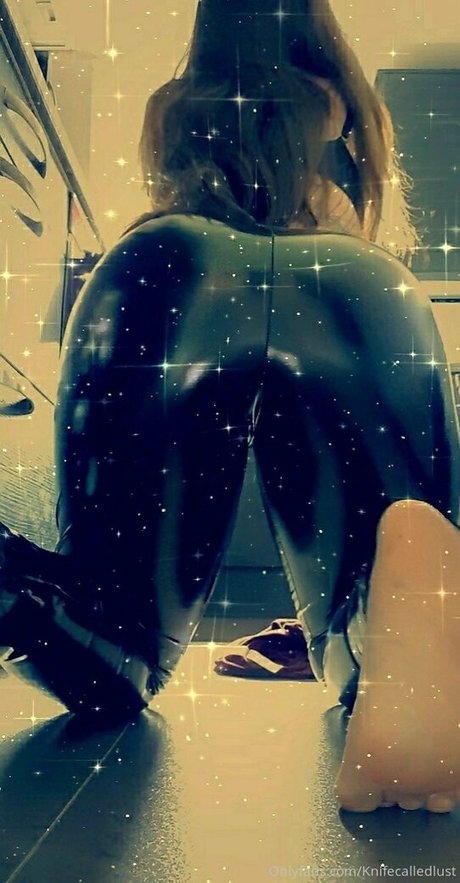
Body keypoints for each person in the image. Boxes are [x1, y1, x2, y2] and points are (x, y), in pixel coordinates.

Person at [0, 0, 459, 816]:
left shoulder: (174, 106)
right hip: (363, 293)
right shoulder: (344, 100)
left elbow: (188, 196)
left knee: (114, 647)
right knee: (381, 624)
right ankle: (401, 590)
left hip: (171, 270)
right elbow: (349, 208)